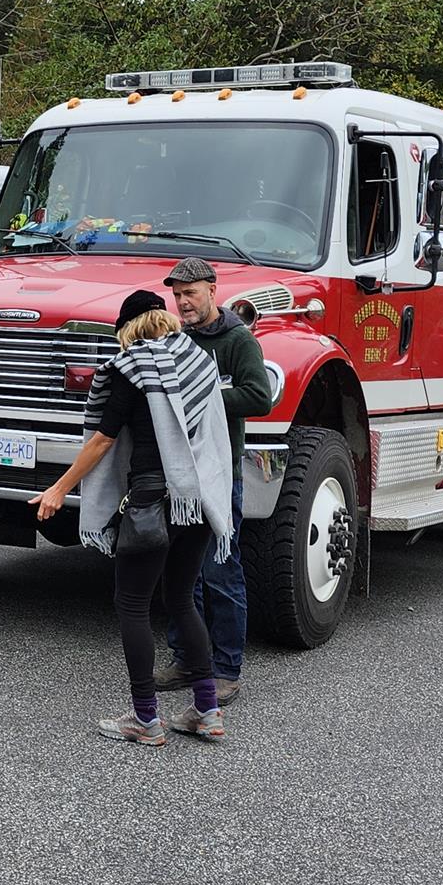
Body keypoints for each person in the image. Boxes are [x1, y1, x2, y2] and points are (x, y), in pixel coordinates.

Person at [31, 289, 235, 746]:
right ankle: (207, 710)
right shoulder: (199, 362)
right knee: (182, 599)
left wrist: (59, 488)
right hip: (197, 503)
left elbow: (103, 440)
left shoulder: (132, 368)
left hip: (151, 501)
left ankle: (145, 718)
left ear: (128, 329)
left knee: (133, 604)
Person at [155, 257, 275, 704]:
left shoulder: (239, 340)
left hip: (222, 475)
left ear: (212, 291)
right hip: (180, 474)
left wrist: (201, 395)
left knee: (221, 570)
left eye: (191, 293)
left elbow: (259, 397)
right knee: (182, 573)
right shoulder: (173, 337)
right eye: (177, 294)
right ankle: (188, 660)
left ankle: (227, 670)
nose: (183, 302)